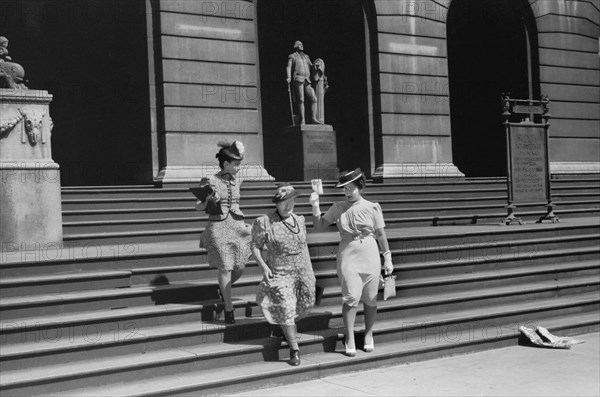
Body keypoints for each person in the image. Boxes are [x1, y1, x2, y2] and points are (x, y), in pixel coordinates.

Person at [310, 169, 394, 356]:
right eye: (345, 189)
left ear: (360, 187)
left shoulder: (372, 207)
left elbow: (380, 234)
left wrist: (387, 256)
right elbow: (319, 226)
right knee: (350, 296)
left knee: (371, 297)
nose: (347, 192)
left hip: (370, 252)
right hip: (348, 253)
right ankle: (349, 337)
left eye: (351, 188)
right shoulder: (338, 207)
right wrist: (315, 206)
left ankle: (368, 334)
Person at [251, 184, 316, 366]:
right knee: (287, 307)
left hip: (302, 271)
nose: (288, 205)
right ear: (277, 204)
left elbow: (304, 247)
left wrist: (309, 274)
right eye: (284, 202)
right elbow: (254, 245)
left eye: (291, 200)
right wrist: (263, 266)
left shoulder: (300, 220)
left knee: (303, 304)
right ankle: (294, 349)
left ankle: (283, 327)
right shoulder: (265, 221)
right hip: (280, 271)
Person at [195, 141, 252, 324]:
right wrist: (208, 201)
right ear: (225, 164)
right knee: (225, 266)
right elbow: (198, 207)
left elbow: (239, 153)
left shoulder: (238, 179)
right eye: (235, 164)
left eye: (239, 164)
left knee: (240, 267)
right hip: (218, 226)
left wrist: (238, 149)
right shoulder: (209, 181)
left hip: (237, 225)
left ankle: (223, 289)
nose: (238, 167)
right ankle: (229, 308)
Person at [286, 40, 321, 125]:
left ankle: (313, 118)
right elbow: (288, 67)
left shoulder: (306, 57)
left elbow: (311, 66)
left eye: (302, 44)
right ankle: (302, 120)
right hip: (298, 79)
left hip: (307, 79)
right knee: (301, 100)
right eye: (299, 44)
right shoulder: (292, 56)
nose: (301, 46)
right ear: (296, 46)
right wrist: (289, 77)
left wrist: (316, 66)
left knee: (314, 98)